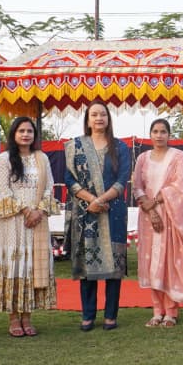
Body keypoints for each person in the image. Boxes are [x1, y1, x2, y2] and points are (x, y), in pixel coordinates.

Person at [65, 102, 132, 331]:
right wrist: (90, 201)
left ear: (108, 119)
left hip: (112, 212)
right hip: (86, 213)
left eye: (103, 114)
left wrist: (101, 200)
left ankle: (111, 315)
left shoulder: (120, 147)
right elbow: (69, 178)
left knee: (113, 267)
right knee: (87, 268)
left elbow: (123, 179)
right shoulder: (75, 146)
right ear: (87, 119)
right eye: (94, 114)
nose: (99, 118)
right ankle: (88, 314)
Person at [0, 117, 58, 337]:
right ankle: (13, 318)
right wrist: (27, 211)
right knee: (15, 265)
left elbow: (49, 187)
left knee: (32, 266)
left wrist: (38, 212)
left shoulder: (42, 158)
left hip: (37, 221)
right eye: (21, 131)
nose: (26, 134)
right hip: (12, 222)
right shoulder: (4, 158)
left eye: (29, 131)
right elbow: (5, 191)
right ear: (14, 134)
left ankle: (27, 317)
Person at [133, 119, 183, 328]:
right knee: (152, 265)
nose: (159, 135)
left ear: (169, 135)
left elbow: (179, 186)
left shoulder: (178, 157)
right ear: (150, 134)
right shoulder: (143, 158)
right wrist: (151, 209)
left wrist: (155, 203)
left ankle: (171, 313)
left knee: (169, 263)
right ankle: (156, 312)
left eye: (163, 131)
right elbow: (137, 187)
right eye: (155, 131)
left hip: (171, 216)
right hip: (148, 218)